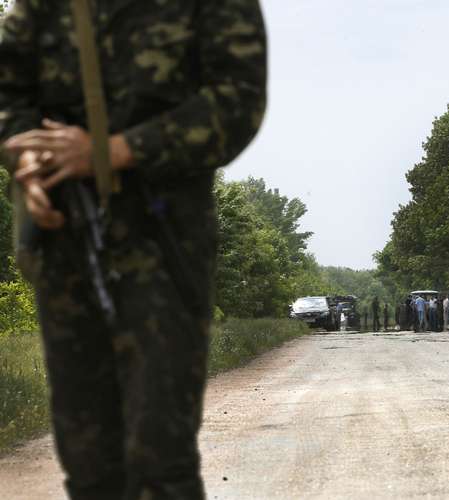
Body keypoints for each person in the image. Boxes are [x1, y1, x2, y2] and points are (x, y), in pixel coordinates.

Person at [0, 1, 267, 499]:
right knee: (88, 459)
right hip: (65, 241)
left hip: (164, 246)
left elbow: (237, 102)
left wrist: (115, 151)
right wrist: (28, 161)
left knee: (159, 454)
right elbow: (9, 89)